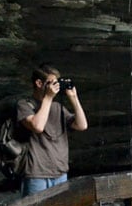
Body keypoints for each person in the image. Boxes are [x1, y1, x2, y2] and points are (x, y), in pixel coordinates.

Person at [17, 63, 88, 197]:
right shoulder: (24, 105)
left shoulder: (57, 107)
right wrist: (48, 97)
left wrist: (74, 97)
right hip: (36, 174)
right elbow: (37, 126)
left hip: (60, 173)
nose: (55, 87)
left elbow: (82, 125)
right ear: (39, 83)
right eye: (52, 83)